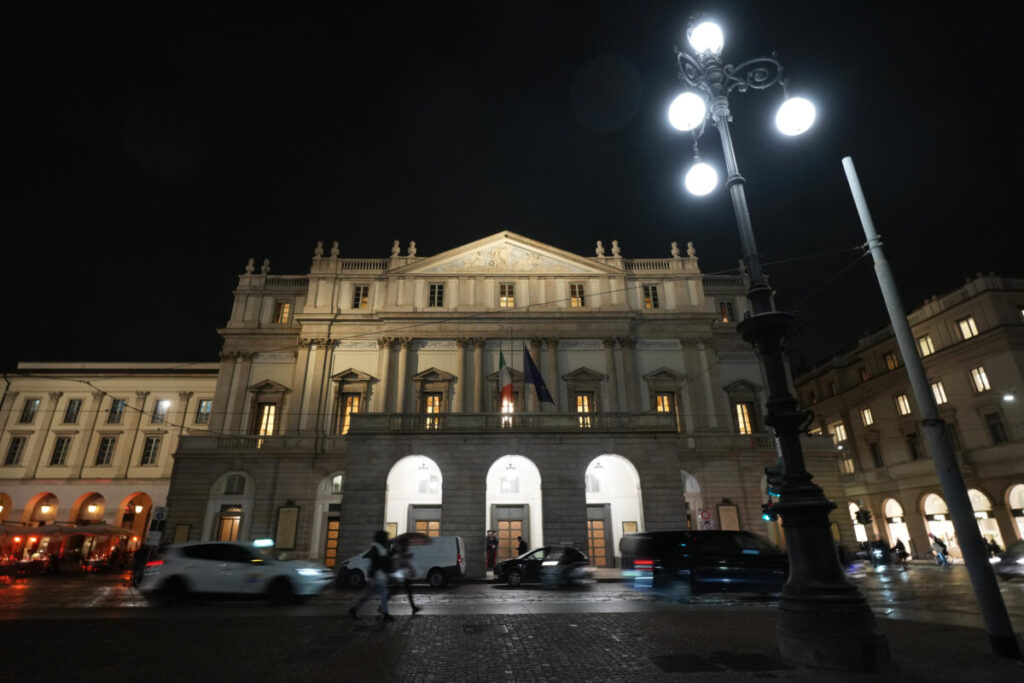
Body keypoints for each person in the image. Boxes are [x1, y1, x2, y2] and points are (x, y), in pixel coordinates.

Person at [349, 530, 394, 621]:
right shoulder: (376, 548)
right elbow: (376, 561)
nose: (386, 538)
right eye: (385, 537)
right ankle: (385, 614)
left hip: (377, 576)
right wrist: (384, 562)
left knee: (367, 595)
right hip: (376, 576)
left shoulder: (380, 547)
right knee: (383, 594)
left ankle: (354, 610)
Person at [394, 536, 421, 613]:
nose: (408, 543)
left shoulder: (403, 549)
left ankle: (413, 607)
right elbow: (402, 560)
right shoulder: (401, 549)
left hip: (405, 573)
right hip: (403, 573)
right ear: (404, 543)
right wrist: (408, 556)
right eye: (407, 542)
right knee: (397, 590)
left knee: (407, 590)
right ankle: (413, 607)